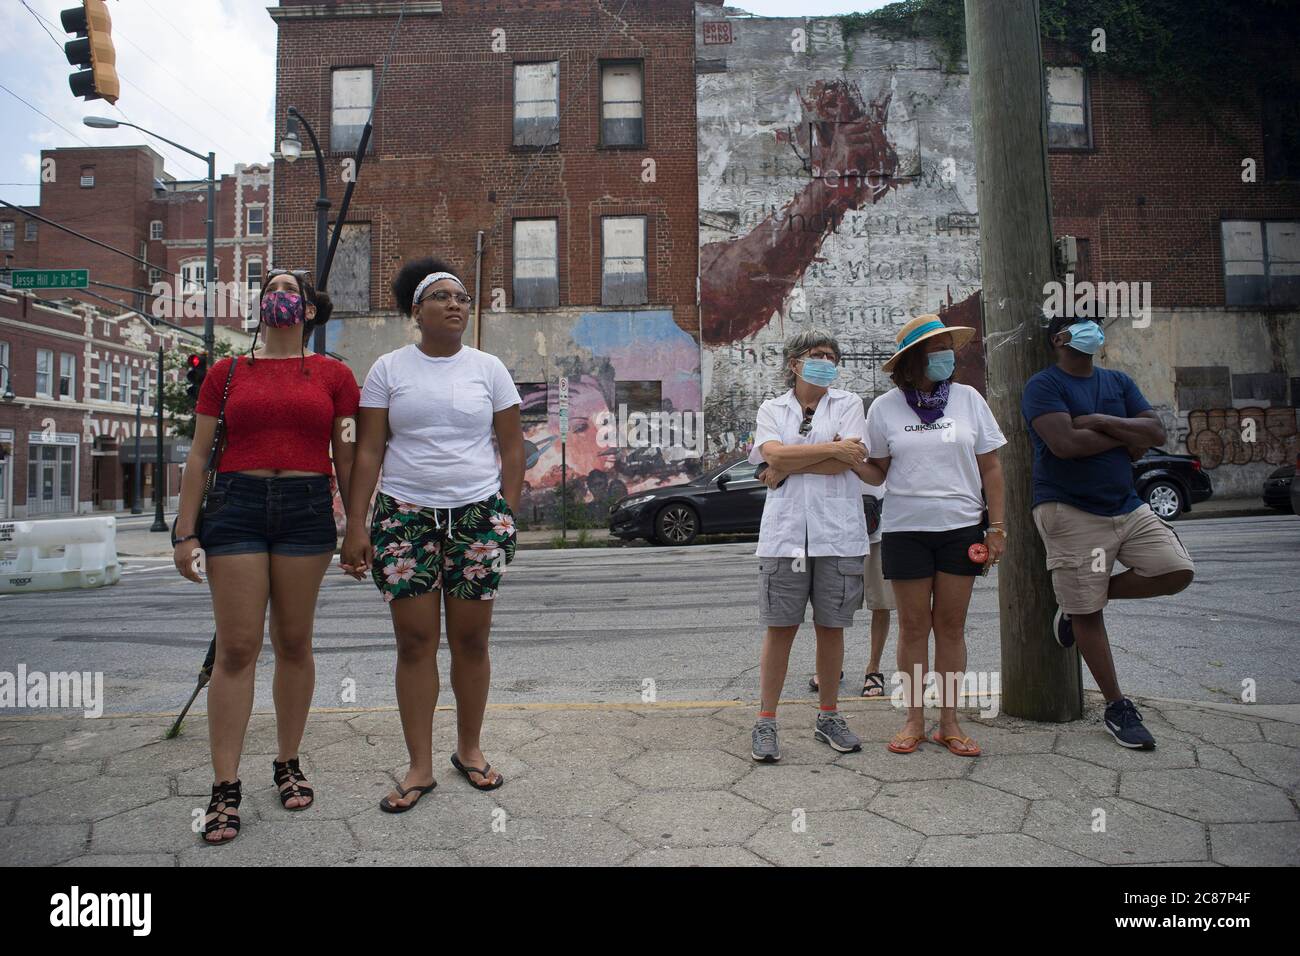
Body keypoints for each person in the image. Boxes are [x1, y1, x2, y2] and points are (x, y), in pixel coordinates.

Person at [172, 269, 359, 844]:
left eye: (289, 290)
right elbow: (199, 456)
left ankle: (287, 761)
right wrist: (184, 532)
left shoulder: (336, 376)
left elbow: (347, 458)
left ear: (307, 310)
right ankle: (224, 787)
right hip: (236, 505)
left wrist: (358, 527)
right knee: (236, 647)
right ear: (259, 307)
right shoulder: (227, 374)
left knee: (295, 642)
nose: (277, 297)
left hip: (307, 507)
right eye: (269, 289)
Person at [340, 257, 525, 811]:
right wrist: (356, 522)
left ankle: (469, 750)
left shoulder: (488, 368)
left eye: (462, 297)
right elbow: (368, 450)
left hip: (476, 516)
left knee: (471, 642)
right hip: (405, 516)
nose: (455, 304)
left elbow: (512, 448)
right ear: (416, 311)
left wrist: (505, 515)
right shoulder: (388, 370)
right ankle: (419, 765)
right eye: (441, 296)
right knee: (415, 643)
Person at [1022, 314, 1195, 750]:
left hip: (1127, 504)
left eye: (1096, 324)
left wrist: (1097, 419)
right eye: (1083, 325)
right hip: (1069, 510)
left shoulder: (1117, 382)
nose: (1094, 330)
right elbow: (1066, 444)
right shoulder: (1044, 385)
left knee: (1176, 570)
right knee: (1089, 613)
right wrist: (1124, 435)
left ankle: (1079, 604)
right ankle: (1117, 707)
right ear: (1060, 339)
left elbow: (1156, 432)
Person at [856, 314, 1006, 757]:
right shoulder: (883, 408)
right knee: (913, 627)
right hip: (904, 531)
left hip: (961, 528)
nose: (946, 355)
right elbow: (876, 470)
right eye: (936, 348)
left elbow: (992, 467)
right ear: (913, 358)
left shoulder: (969, 399)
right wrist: (842, 455)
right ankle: (914, 720)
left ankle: (950, 722)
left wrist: (997, 527)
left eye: (947, 346)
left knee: (951, 627)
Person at [748, 330, 870, 763]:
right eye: (816, 355)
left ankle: (829, 715)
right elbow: (772, 455)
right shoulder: (771, 409)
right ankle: (766, 721)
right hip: (785, 537)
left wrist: (787, 465)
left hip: (838, 534)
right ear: (794, 363)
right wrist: (829, 451)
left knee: (831, 627)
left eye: (832, 355)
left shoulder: (850, 404)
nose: (825, 361)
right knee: (780, 628)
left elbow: (850, 458)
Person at [809, 479, 894, 698]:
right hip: (839, 529)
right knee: (832, 605)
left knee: (881, 603)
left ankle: (873, 668)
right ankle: (830, 666)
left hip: (878, 525)